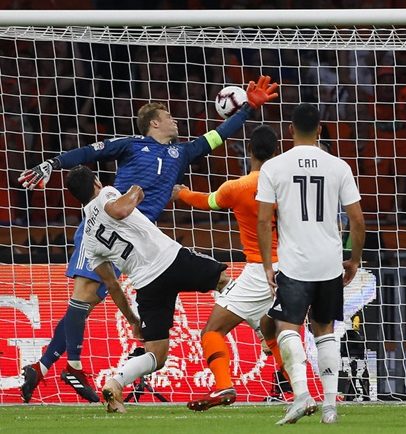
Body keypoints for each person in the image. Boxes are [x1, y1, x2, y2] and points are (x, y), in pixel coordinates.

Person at [17, 75, 279, 403]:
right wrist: (53, 163)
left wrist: (248, 109)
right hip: (107, 226)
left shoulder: (182, 153)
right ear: (154, 122)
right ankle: (69, 365)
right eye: (168, 115)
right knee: (83, 298)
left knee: (89, 302)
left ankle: (43, 367)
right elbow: (88, 152)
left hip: (140, 243)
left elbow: (217, 136)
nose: (175, 119)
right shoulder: (131, 145)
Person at [64, 165, 230, 413]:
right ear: (96, 182)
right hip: (171, 261)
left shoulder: (88, 241)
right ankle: (263, 334)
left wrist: (133, 320)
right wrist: (135, 190)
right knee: (223, 280)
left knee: (157, 355)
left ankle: (115, 382)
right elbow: (121, 210)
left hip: (147, 285)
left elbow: (112, 285)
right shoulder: (106, 194)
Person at [256, 103, 366, 425]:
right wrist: (354, 259)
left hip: (295, 263)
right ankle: (330, 406)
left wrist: (267, 265)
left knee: (286, 327)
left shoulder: (273, 167)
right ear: (320, 129)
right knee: (325, 330)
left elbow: (263, 220)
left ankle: (302, 395)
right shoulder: (338, 166)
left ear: (290, 130)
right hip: (329, 262)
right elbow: (357, 220)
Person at [174, 125, 284, 411]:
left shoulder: (236, 188)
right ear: (277, 152)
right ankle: (300, 390)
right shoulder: (288, 185)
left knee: (212, 331)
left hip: (261, 270)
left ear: (249, 151)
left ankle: (224, 386)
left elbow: (206, 201)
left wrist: (182, 193)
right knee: (272, 332)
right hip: (293, 268)